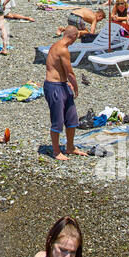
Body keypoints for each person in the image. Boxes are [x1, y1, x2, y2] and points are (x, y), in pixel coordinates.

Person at [45, 24, 83, 159]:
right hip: (54, 86)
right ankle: (56, 151)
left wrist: (67, 84)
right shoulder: (62, 49)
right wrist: (76, 87)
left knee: (72, 117)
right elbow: (70, 72)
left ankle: (70, 147)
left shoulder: (56, 46)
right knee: (58, 120)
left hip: (62, 85)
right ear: (73, 37)